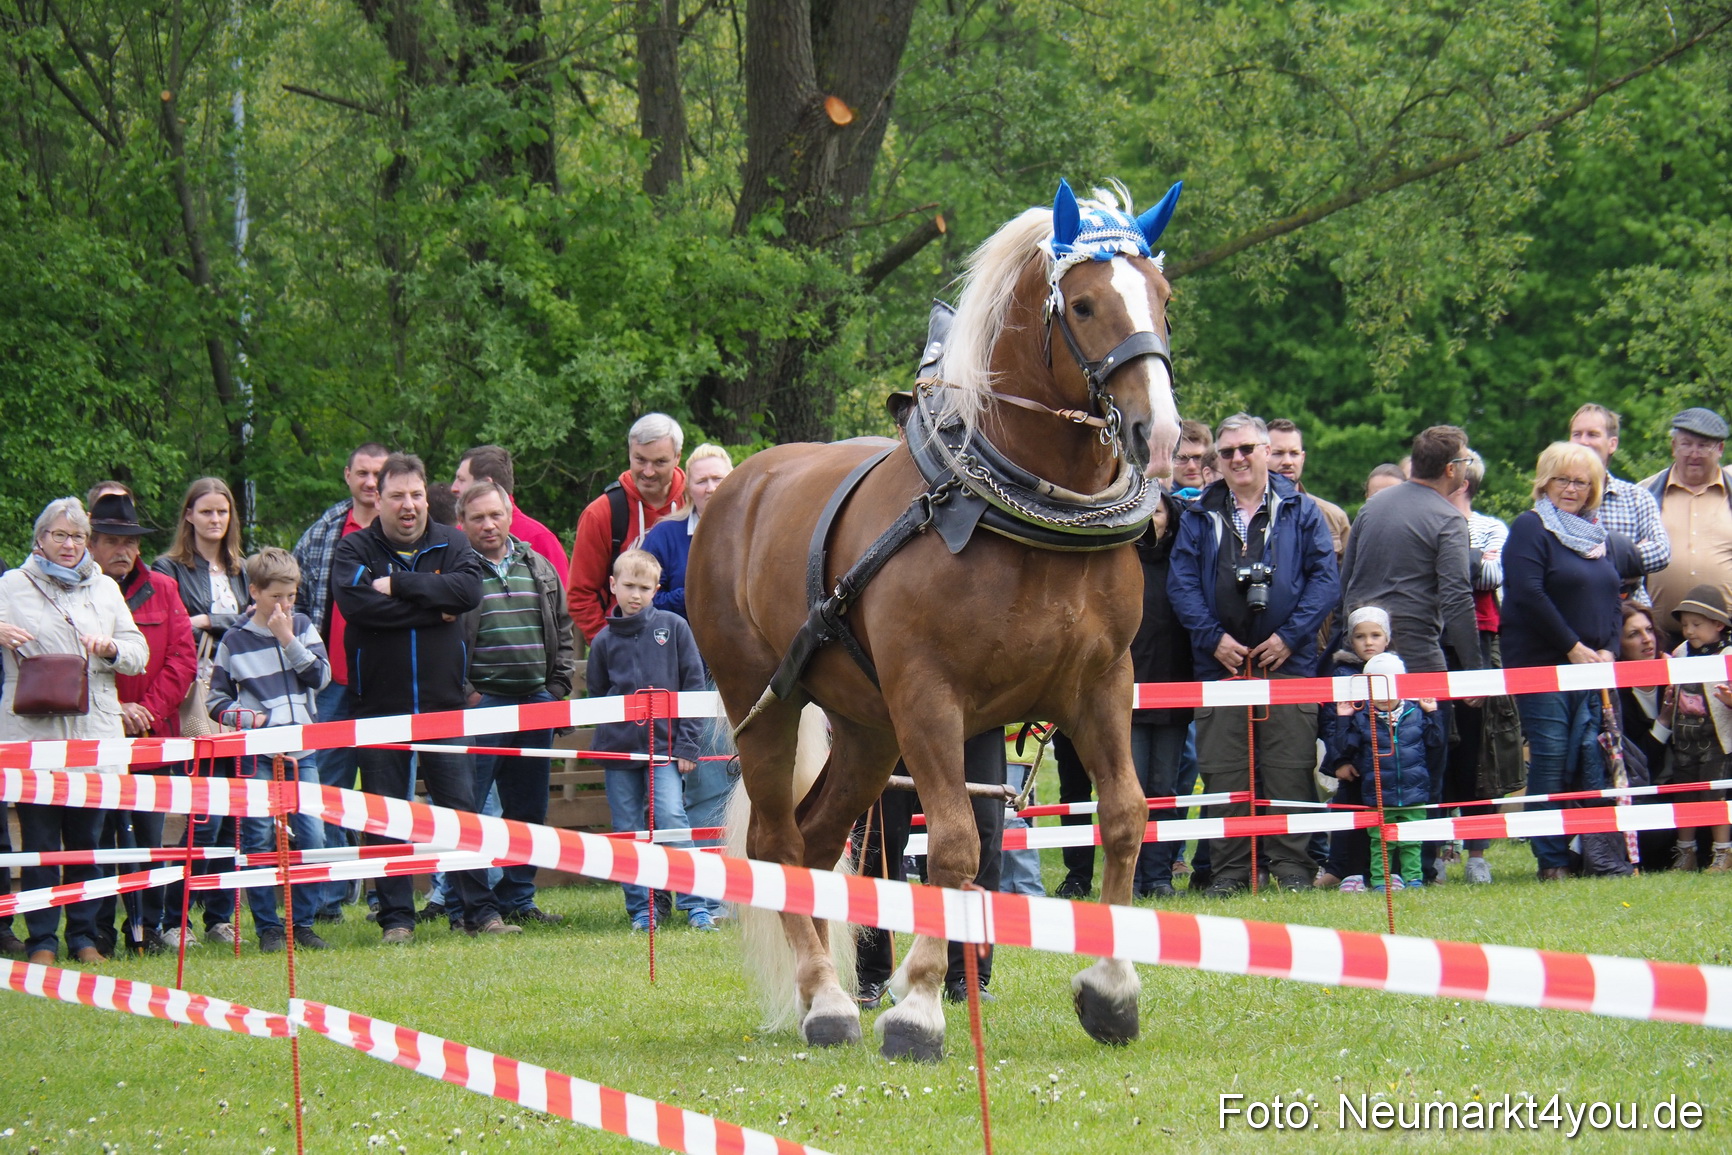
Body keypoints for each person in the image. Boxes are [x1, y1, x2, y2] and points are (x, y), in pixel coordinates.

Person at [331, 453, 515, 943]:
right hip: (378, 705)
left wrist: (399, 586)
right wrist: (434, 607)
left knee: (459, 811)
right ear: (379, 499)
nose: (408, 505)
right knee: (385, 814)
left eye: (416, 494)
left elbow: (468, 592)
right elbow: (358, 607)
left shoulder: (452, 542)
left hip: (443, 704)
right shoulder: (354, 548)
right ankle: (396, 918)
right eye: (397, 496)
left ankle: (480, 912)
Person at [1168, 414, 1340, 896]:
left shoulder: (1301, 510)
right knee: (1223, 772)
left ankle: (1292, 869)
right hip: (1219, 664)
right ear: (1218, 460)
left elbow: (1326, 580)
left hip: (1288, 662)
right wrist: (1212, 638)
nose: (1238, 459)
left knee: (1290, 768)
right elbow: (1181, 584)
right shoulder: (1200, 514)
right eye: (1227, 452)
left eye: (1246, 449)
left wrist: (1290, 637)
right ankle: (1231, 871)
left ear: (1266, 451)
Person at [0, 498, 148, 965]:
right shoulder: (12, 585)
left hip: (94, 733)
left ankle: (84, 938)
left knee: (88, 844)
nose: (69, 544)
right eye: (60, 535)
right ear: (40, 538)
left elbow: (138, 652)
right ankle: (42, 942)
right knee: (41, 844)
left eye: (78, 536)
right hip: (33, 732)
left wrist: (110, 649)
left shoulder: (105, 588)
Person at [1501, 441, 1624, 881]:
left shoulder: (1597, 535)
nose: (1571, 489)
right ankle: (1551, 859)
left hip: (1592, 666)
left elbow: (1615, 597)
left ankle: (1592, 853)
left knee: (1588, 754)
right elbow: (1528, 593)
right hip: (1543, 663)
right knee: (1551, 755)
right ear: (1545, 482)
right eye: (1562, 480)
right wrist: (1572, 646)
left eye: (1581, 482)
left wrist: (1610, 648)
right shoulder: (1530, 527)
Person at [456, 478, 576, 923]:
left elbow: (563, 629)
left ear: (509, 515)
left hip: (534, 701)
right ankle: (467, 904)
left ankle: (518, 899)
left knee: (528, 809)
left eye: (495, 515)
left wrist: (556, 689)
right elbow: (446, 641)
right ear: (462, 522)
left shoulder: (538, 566)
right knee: (470, 808)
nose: (488, 525)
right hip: (483, 705)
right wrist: (467, 694)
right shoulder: (456, 573)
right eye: (478, 518)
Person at [85, 492, 197, 954]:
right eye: (112, 541)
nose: (123, 550)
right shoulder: (80, 593)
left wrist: (146, 710)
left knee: (149, 838)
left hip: (152, 735)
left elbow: (182, 659)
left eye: (129, 542)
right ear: (91, 544)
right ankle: (96, 931)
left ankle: (147, 929)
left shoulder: (163, 588)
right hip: (94, 735)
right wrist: (117, 711)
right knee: (95, 837)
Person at [205, 548, 332, 952]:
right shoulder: (234, 640)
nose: (285, 605)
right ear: (255, 592)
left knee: (313, 835)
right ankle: (268, 927)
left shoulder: (302, 626)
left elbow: (321, 677)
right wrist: (247, 718)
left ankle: (303, 923)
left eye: (291, 596)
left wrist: (288, 639)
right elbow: (215, 701)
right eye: (276, 596)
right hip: (257, 751)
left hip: (302, 750)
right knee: (258, 837)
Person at [586, 549, 712, 930]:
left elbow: (694, 687)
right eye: (628, 586)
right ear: (613, 586)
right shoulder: (602, 642)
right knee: (628, 827)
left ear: (657, 589)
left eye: (644, 588)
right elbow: (597, 695)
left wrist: (687, 744)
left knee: (671, 816)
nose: (635, 595)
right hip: (619, 753)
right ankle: (643, 907)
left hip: (667, 750)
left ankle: (695, 903)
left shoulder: (675, 628)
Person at [290, 442, 388, 920]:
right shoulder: (323, 532)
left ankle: (386, 896)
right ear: (347, 475)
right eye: (363, 473)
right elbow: (295, 601)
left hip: (388, 684)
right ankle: (329, 899)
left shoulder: (406, 530)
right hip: (330, 684)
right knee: (326, 789)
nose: (371, 483)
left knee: (387, 791)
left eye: (379, 474)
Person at [640, 442, 736, 915]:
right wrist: (698, 594)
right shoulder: (664, 536)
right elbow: (643, 599)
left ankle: (744, 890)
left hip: (746, 677)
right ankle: (706, 895)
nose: (711, 487)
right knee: (704, 783)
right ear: (687, 487)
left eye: (719, 478)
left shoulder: (754, 525)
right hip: (686, 678)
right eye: (702, 480)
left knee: (748, 785)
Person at [567, 414, 688, 643]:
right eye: (640, 460)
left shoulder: (695, 505)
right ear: (629, 453)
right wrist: (612, 646)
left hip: (688, 647)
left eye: (660, 462)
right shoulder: (602, 513)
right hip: (624, 644)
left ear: (677, 457)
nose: (648, 471)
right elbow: (580, 594)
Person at [1329, 651, 1443, 892]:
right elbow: (1345, 746)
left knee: (1412, 841)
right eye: (1375, 690)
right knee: (1380, 841)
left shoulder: (1416, 713)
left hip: (1413, 794)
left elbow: (1436, 741)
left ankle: (1414, 880)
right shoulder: (1362, 718)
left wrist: (1432, 712)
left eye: (1387, 689)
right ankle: (1381, 881)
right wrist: (1343, 719)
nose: (1382, 697)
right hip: (1378, 795)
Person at [1651, 585, 1732, 873]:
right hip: (1684, 738)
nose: (1688, 631)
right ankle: (1685, 853)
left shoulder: (1728, 654)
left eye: (1696, 624)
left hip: (1716, 740)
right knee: (1684, 795)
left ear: (1718, 624)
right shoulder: (1680, 653)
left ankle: (1722, 852)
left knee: (1715, 796)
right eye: (1685, 625)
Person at [1317, 606, 1392, 891]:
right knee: (1348, 816)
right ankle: (1342, 870)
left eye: (1375, 635)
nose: (1368, 642)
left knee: (1386, 817)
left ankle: (1387, 872)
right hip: (1353, 766)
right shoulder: (1342, 674)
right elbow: (1330, 722)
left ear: (1387, 638)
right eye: (1361, 636)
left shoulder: (1395, 672)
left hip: (1387, 766)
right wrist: (1339, 761)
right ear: (1350, 640)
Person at [1570, 404, 1670, 604]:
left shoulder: (1637, 498)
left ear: (1612, 444)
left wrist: (1607, 555)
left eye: (1593, 434)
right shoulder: (1556, 498)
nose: (1583, 441)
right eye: (1577, 434)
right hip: (1573, 609)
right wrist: (1630, 558)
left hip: (1629, 609)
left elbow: (1661, 551)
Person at [1643, 408, 1732, 632]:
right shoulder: (1645, 493)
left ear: (1720, 449)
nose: (1694, 454)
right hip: (1657, 638)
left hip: (1726, 638)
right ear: (1674, 446)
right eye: (1686, 444)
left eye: (1703, 446)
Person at [152, 477, 251, 647]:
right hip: (193, 661)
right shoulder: (167, 568)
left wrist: (207, 620)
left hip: (240, 662)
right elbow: (173, 628)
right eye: (206, 512)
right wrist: (236, 629)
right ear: (189, 515)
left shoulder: (244, 569)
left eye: (222, 512)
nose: (215, 519)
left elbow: (259, 623)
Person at [452, 445, 570, 576]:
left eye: (461, 480)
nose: (453, 488)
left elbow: (558, 589)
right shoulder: (455, 538)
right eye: (478, 518)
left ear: (486, 484)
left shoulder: (539, 540)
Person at [1267, 419, 1350, 558]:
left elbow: (1350, 569)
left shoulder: (1333, 516)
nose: (1287, 461)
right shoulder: (1249, 515)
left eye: (1294, 453)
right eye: (1278, 453)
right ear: (1263, 455)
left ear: (1303, 458)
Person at [1170, 419, 1214, 499]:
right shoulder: (1156, 502)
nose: (1192, 467)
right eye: (1182, 458)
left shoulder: (1228, 498)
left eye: (1198, 458)